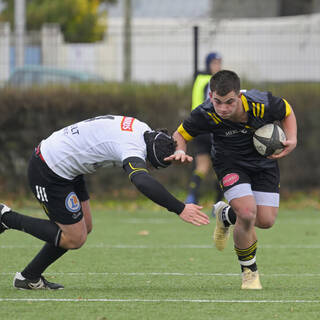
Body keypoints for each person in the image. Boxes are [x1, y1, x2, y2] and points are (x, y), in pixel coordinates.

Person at [0, 115, 209, 290]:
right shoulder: (132, 146)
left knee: (85, 227)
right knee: (74, 238)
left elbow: (168, 140)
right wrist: (180, 208)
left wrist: (178, 150)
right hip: (49, 168)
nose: (148, 168)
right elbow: (142, 181)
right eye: (150, 165)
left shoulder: (144, 130)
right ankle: (6, 218)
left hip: (69, 166)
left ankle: (28, 277)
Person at [165, 70, 297, 290]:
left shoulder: (261, 103)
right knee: (246, 213)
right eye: (218, 102)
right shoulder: (206, 113)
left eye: (229, 102)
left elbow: (287, 110)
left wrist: (292, 138)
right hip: (230, 164)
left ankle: (225, 214)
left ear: (239, 96)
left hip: (264, 162)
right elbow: (180, 134)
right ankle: (249, 272)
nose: (223, 108)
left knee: (265, 220)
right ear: (210, 97)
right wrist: (179, 151)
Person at [185, 52, 223, 206]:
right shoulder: (213, 82)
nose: (218, 66)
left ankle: (192, 196)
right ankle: (218, 203)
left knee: (202, 166)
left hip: (198, 127)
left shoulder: (198, 79)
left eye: (219, 63)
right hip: (212, 127)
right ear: (208, 65)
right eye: (215, 63)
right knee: (220, 166)